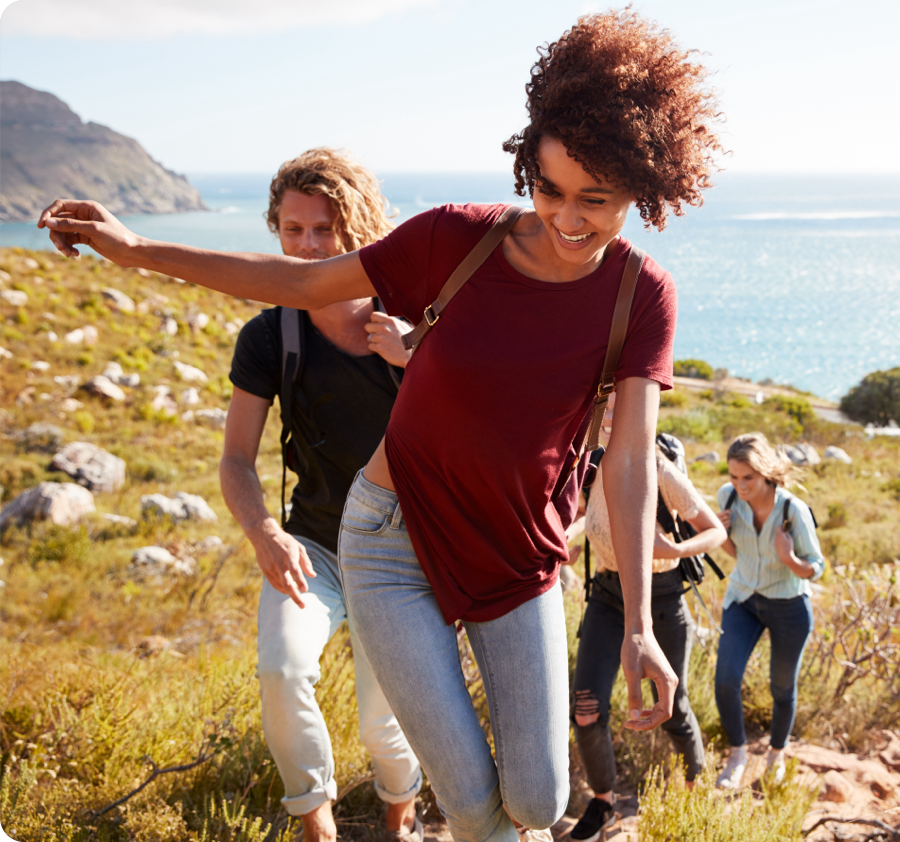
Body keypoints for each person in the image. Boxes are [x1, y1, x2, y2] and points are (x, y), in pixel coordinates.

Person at [38, 10, 723, 841]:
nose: (567, 218)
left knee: (539, 802)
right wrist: (137, 248)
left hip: (517, 551)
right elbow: (302, 283)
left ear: (642, 190)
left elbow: (631, 460)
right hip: (389, 540)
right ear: (526, 167)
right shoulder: (455, 241)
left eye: (596, 200)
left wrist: (641, 626)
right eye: (548, 189)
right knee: (470, 802)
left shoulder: (640, 295)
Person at [219, 149, 423, 842]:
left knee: (383, 721)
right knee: (281, 668)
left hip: (404, 554)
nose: (307, 247)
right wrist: (265, 534)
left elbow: (484, 425)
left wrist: (415, 357)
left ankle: (400, 817)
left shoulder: (417, 322)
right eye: (292, 230)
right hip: (313, 546)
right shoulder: (269, 337)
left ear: (360, 229)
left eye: (323, 229)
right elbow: (236, 460)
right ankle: (317, 824)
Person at [565, 394, 726, 842]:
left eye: (621, 404)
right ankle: (604, 804)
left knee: (672, 707)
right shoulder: (592, 463)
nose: (609, 415)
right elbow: (589, 515)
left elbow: (715, 530)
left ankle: (695, 794)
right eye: (604, 405)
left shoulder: (658, 468)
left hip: (663, 599)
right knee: (585, 709)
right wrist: (567, 539)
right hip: (606, 597)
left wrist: (676, 549)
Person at [713, 433, 825, 789]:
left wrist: (789, 558)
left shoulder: (793, 510)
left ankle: (776, 756)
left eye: (748, 477)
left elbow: (817, 567)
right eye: (734, 476)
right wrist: (721, 534)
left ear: (765, 473)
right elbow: (736, 553)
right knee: (725, 679)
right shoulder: (727, 497)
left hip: (788, 605)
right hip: (743, 598)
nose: (740, 485)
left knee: (782, 687)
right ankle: (737, 756)